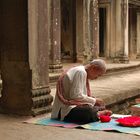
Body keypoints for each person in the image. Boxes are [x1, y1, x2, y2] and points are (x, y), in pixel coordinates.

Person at [51, 59, 112, 124]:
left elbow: (79, 96)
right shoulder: (80, 72)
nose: (96, 77)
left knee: (95, 106)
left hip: (73, 106)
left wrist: (94, 101)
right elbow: (75, 96)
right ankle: (98, 114)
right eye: (98, 75)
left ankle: (97, 113)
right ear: (93, 68)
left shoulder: (81, 71)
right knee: (88, 112)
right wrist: (95, 100)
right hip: (65, 110)